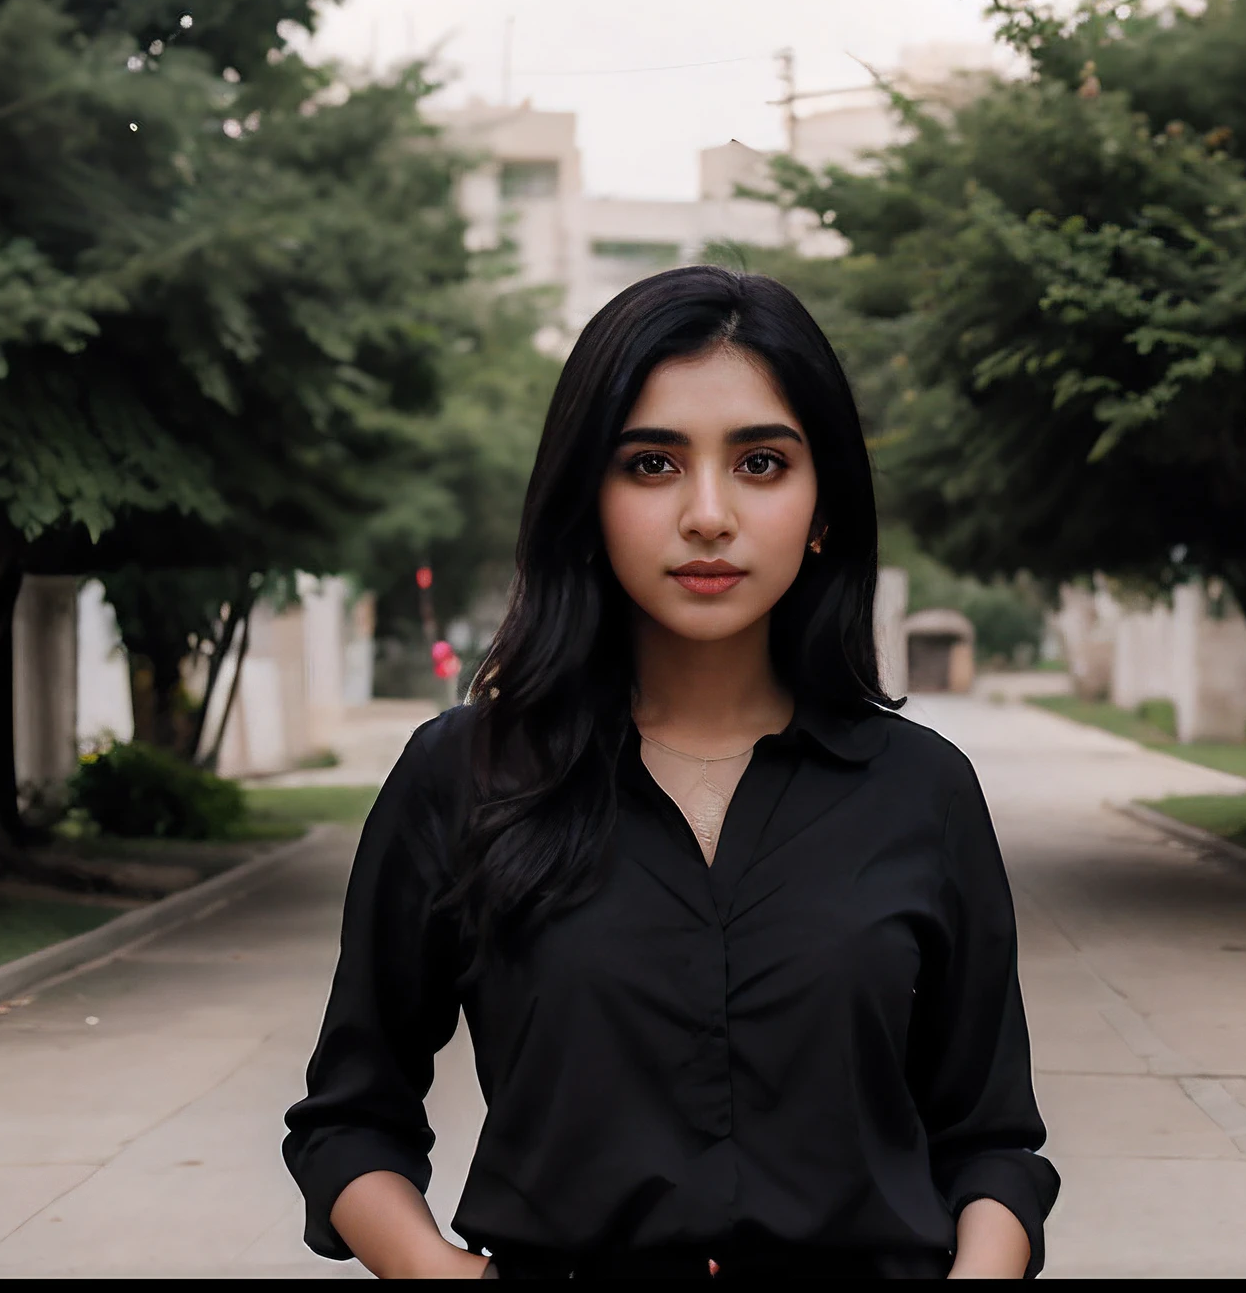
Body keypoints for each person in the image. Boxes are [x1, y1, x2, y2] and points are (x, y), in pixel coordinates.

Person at [285, 266, 1057, 1279]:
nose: (707, 514)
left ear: (823, 507)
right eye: (651, 463)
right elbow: (349, 1120)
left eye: (762, 463)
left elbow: (989, 1141)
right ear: (587, 500)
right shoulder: (463, 774)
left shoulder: (923, 789)